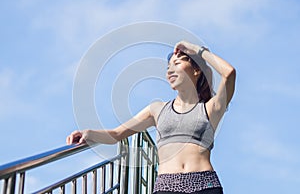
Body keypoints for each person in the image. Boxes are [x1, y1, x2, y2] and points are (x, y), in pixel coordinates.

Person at [66, 40, 236, 194]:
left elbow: (229, 73)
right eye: (168, 67)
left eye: (177, 63)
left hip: (204, 185)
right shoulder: (157, 109)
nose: (171, 70)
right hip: (166, 187)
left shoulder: (210, 108)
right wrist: (88, 133)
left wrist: (197, 50)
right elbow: (117, 134)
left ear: (196, 70)